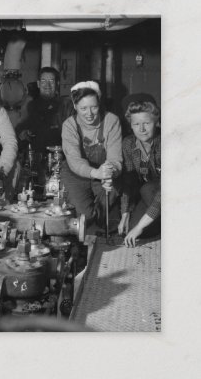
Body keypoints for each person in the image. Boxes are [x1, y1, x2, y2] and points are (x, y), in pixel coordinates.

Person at [60, 81, 122, 226]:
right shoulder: (69, 125)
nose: (89, 114)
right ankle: (92, 212)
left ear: (99, 104)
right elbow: (74, 160)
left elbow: (115, 157)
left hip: (103, 170)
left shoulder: (111, 120)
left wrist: (109, 173)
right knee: (84, 220)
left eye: (94, 107)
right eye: (83, 108)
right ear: (75, 106)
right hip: (75, 173)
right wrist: (96, 173)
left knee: (106, 221)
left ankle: (105, 214)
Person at [17, 67, 74, 183]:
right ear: (38, 84)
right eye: (43, 81)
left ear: (57, 83)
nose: (47, 85)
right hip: (35, 161)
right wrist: (23, 134)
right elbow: (18, 131)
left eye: (51, 81)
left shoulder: (66, 105)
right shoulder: (30, 106)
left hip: (61, 160)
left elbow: (73, 136)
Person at [118, 99, 161, 247]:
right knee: (132, 229)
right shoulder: (128, 144)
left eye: (147, 123)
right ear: (131, 125)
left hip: (168, 196)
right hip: (148, 196)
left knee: (148, 189)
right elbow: (129, 182)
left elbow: (165, 192)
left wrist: (140, 226)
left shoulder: (166, 143)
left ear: (156, 122)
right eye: (136, 124)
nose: (141, 129)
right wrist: (125, 214)